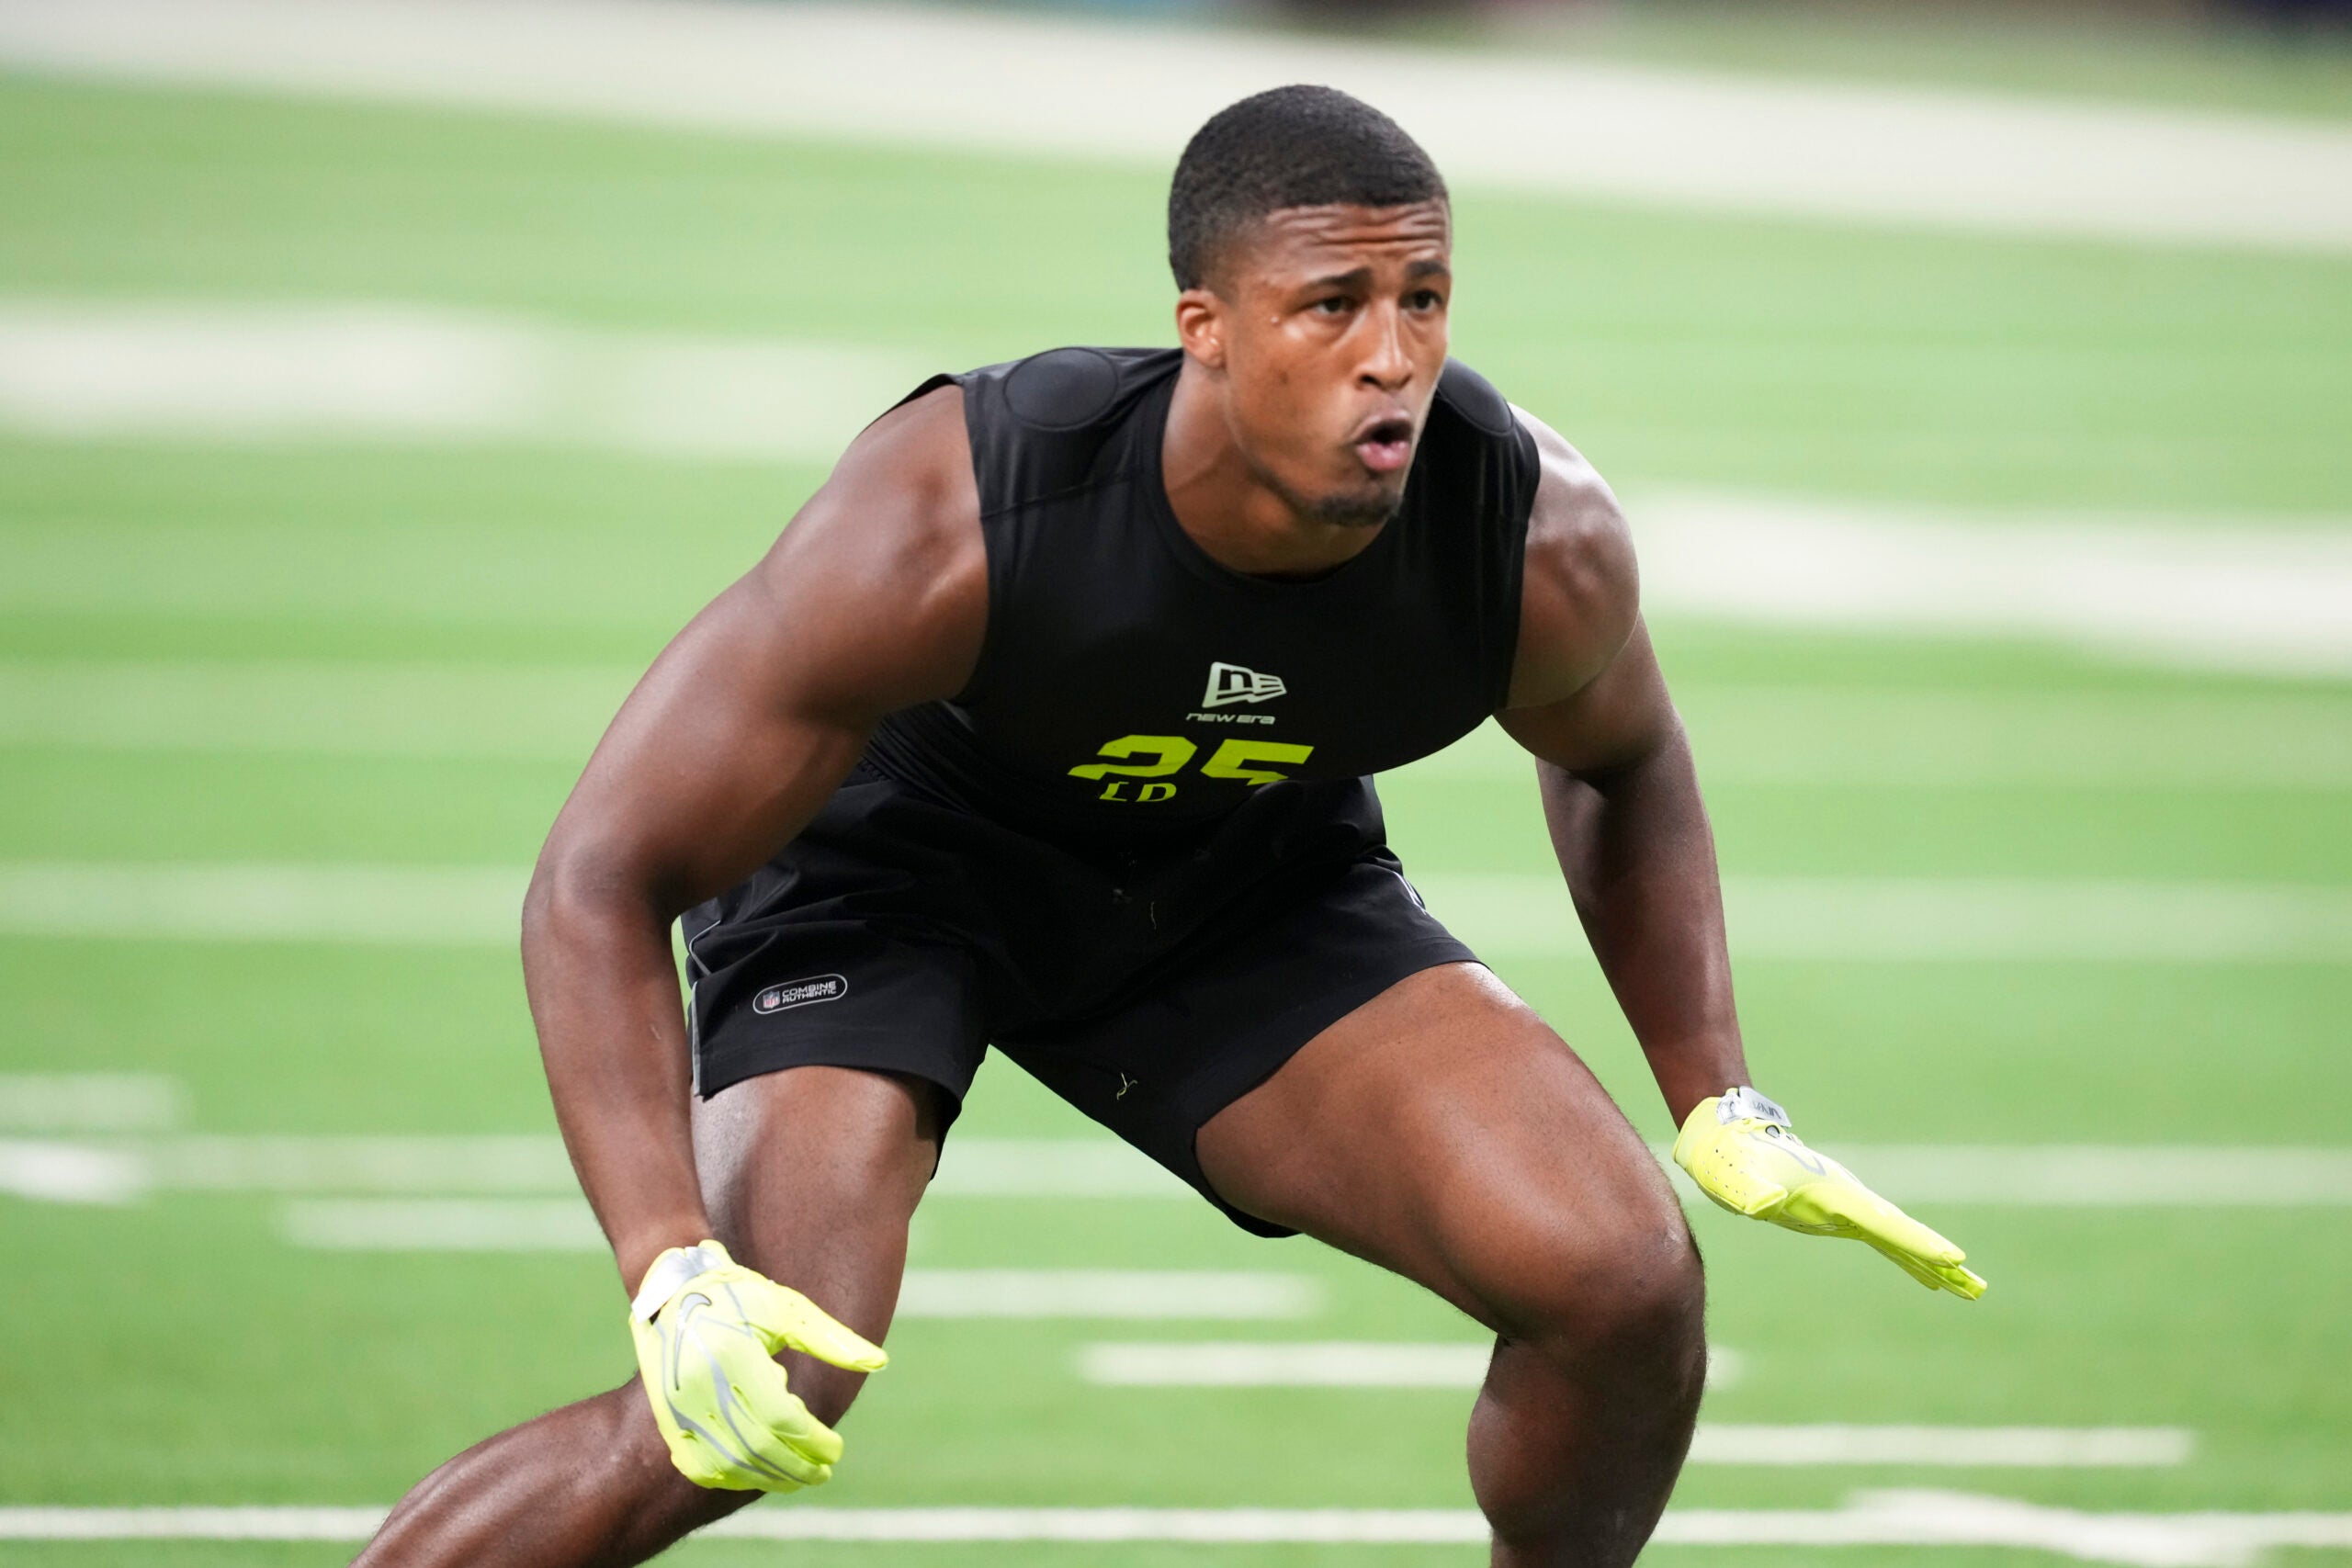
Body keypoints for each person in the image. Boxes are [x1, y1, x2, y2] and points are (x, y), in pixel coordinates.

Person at [353, 84, 1981, 1568]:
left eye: (1424, 301)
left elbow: (1622, 756)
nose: (1393, 356)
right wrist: (666, 1263)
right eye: (1332, 306)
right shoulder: (960, 512)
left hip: (1236, 881)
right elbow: (599, 877)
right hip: (896, 877)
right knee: (763, 1376)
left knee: (1619, 1281)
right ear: (1204, 327)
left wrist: (1715, 1096)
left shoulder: (1523, 531)